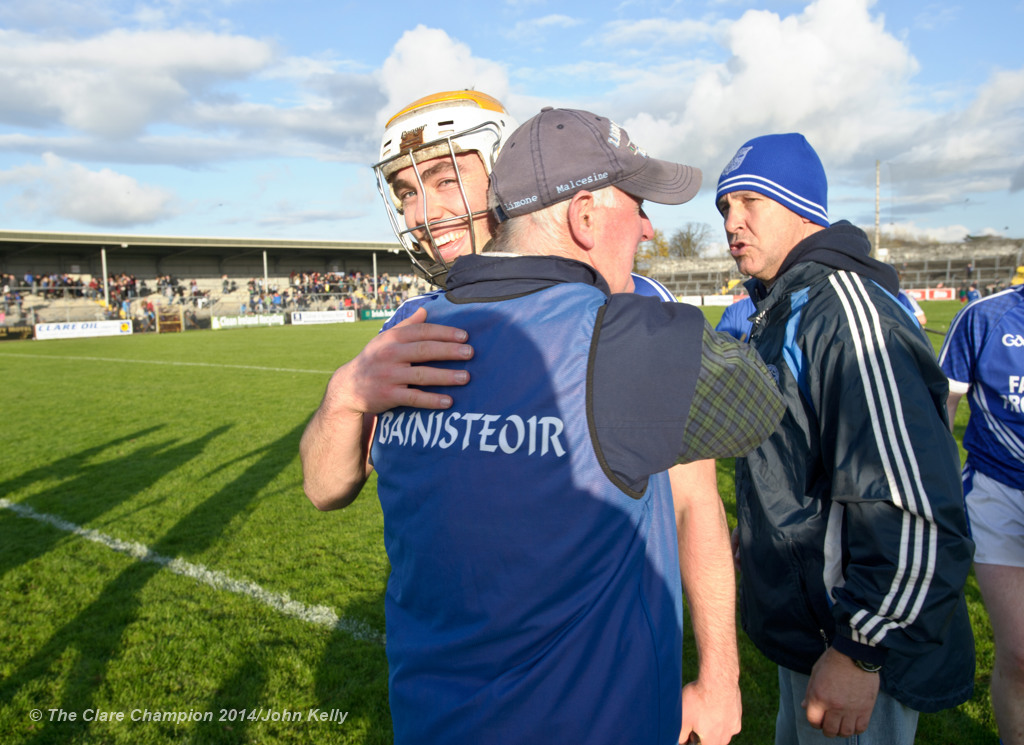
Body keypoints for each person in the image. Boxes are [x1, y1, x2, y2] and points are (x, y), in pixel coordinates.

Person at [313, 105, 784, 744]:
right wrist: (345, 395)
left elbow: (695, 503)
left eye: (445, 178)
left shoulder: (631, 311)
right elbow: (324, 488)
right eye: (406, 192)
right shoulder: (408, 327)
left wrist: (721, 677)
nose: (423, 211)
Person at [716, 132, 975, 743]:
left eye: (750, 201)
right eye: (724, 207)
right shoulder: (786, 304)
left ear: (800, 204)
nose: (733, 222)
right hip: (812, 625)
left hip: (854, 637)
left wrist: (862, 648)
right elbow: (802, 459)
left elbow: (913, 506)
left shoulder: (844, 313)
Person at [938, 285, 1024, 745]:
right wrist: (937, 488)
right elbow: (944, 407)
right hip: (998, 494)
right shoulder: (985, 317)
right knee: (1019, 655)